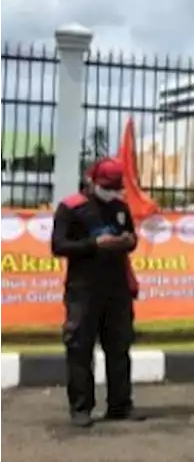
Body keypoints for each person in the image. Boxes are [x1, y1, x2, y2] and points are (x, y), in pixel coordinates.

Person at [51, 158, 144, 428]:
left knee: (119, 346)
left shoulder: (119, 206)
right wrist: (94, 244)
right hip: (83, 290)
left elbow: (131, 236)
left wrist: (128, 241)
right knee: (80, 348)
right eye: (106, 186)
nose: (111, 192)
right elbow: (58, 246)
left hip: (116, 289)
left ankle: (121, 405)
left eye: (115, 187)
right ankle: (81, 408)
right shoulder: (71, 208)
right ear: (92, 180)